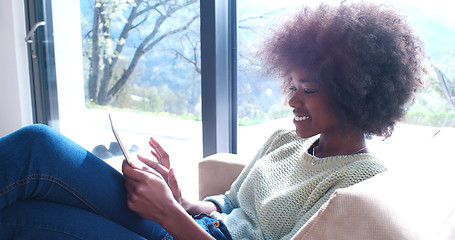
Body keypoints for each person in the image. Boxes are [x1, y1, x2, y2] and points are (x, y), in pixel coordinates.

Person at [0, 2, 425, 239]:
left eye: (308, 88)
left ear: (356, 92)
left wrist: (169, 215)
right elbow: (229, 205)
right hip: (192, 226)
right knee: (36, 146)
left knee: (18, 220)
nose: (292, 98)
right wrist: (178, 196)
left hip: (183, 236)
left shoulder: (356, 184)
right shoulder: (285, 138)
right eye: (291, 83)